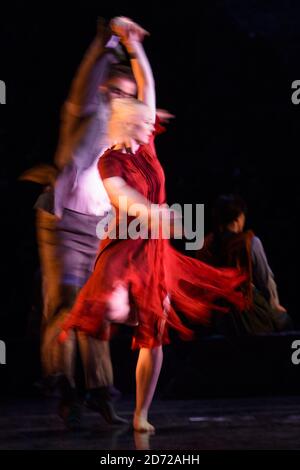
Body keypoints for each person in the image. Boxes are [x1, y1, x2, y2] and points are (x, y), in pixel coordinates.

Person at [60, 25, 246, 433]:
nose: (154, 125)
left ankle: (142, 413)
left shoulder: (147, 145)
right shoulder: (110, 161)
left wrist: (134, 44)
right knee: (109, 310)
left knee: (155, 329)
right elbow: (125, 199)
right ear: (128, 125)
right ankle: (83, 375)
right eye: (145, 122)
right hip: (125, 245)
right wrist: (155, 213)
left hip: (154, 250)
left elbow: (148, 82)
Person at [23, 17, 151, 429]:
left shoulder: (124, 131)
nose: (119, 101)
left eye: (124, 96)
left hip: (97, 226)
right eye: (114, 92)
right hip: (62, 223)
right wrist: (105, 43)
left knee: (94, 313)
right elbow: (88, 79)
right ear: (103, 91)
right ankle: (65, 391)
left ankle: (99, 395)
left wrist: (136, 49)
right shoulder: (85, 112)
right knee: (64, 305)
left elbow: (147, 97)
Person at [197, 194, 292, 336]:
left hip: (219, 317)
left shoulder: (205, 245)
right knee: (285, 322)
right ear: (238, 218)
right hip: (247, 311)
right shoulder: (249, 243)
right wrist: (274, 304)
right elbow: (265, 279)